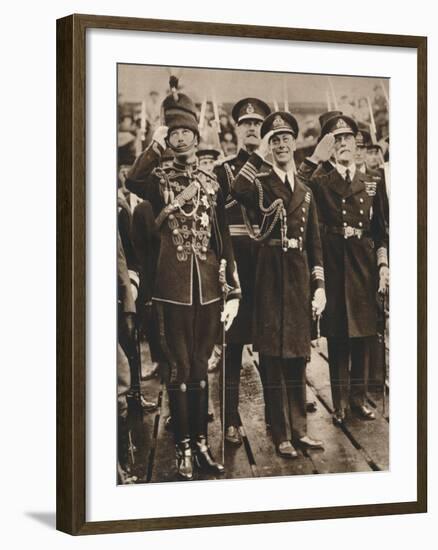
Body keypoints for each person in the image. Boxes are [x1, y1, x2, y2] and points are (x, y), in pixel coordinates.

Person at [125, 77, 241, 480]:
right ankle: (184, 448)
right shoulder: (157, 180)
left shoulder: (212, 182)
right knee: (177, 368)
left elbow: (222, 237)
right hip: (172, 291)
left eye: (185, 132)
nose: (180, 139)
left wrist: (233, 290)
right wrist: (153, 145)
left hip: (208, 289)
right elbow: (132, 181)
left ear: (196, 135)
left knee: (199, 368)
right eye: (173, 133)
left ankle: (203, 443)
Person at [231, 111, 327, 458]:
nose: (282, 144)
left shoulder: (306, 189)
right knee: (272, 356)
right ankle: (280, 434)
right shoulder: (260, 180)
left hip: (299, 276)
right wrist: (256, 153)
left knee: (297, 356)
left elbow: (315, 242)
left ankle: (300, 431)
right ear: (269, 147)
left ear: (295, 143)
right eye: (275, 139)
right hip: (269, 275)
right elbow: (236, 188)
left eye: (286, 138)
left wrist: (320, 285)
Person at [298, 113, 389, 425]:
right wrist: (314, 158)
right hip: (335, 265)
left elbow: (381, 230)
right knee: (337, 336)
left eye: (348, 138)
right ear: (330, 147)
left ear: (356, 143)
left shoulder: (373, 182)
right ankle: (338, 404)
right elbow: (295, 184)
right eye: (336, 140)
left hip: (364, 265)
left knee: (363, 334)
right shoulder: (320, 183)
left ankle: (359, 399)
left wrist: (383, 265)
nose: (343, 144)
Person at [214, 97, 272, 445]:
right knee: (233, 344)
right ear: (236, 129)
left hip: (267, 265)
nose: (252, 127)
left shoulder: (273, 168)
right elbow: (223, 218)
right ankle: (231, 417)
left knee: (270, 340)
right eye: (246, 123)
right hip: (237, 263)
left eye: (257, 124)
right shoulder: (223, 171)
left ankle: (277, 412)